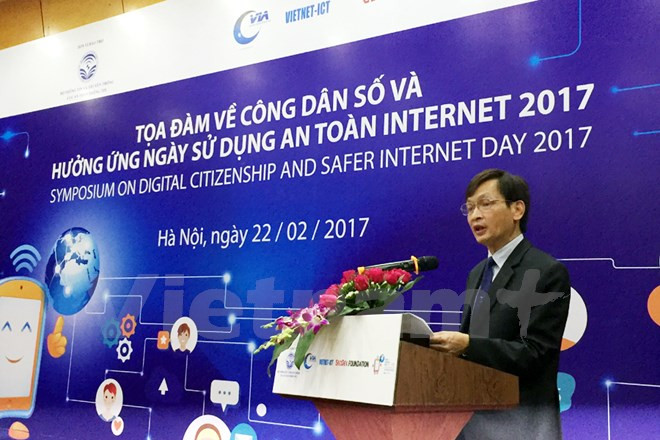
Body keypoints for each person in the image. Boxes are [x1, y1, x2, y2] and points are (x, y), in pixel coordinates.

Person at [429, 169, 571, 439]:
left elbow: (535, 353)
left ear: (517, 209)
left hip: (521, 424)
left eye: (485, 204)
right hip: (471, 423)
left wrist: (468, 345)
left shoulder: (546, 271)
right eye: (470, 208)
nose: (475, 215)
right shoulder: (477, 273)